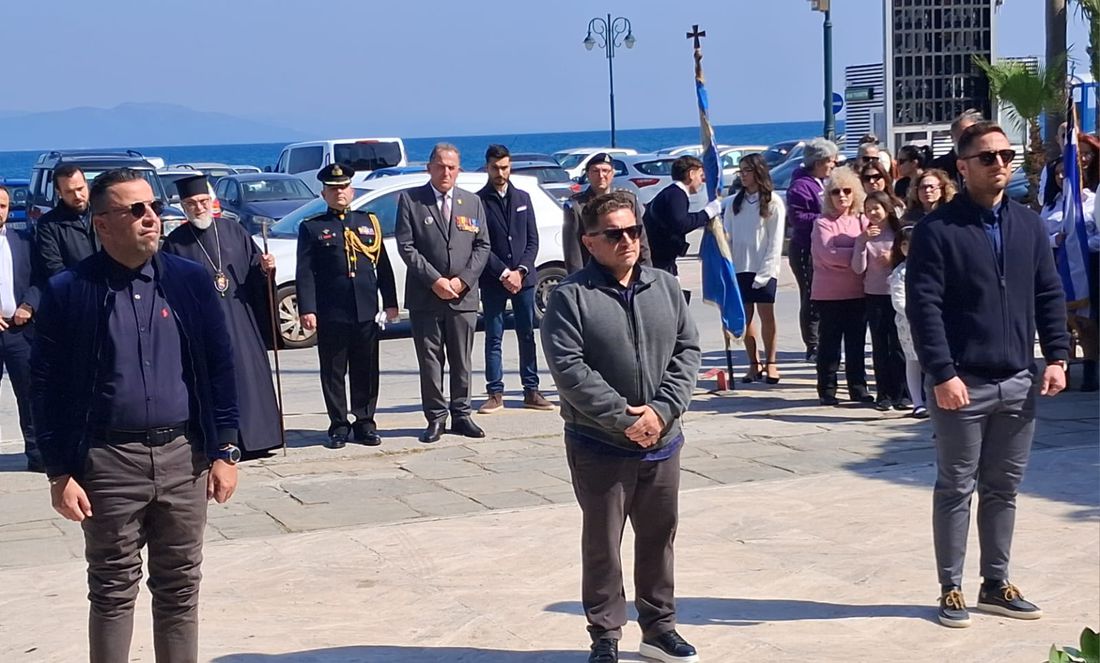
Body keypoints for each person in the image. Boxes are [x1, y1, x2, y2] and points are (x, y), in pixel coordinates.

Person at [31, 168, 241, 662]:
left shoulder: (189, 281)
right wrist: (60, 471)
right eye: (137, 210)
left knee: (180, 587)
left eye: (155, 207)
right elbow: (46, 388)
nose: (152, 218)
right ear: (102, 223)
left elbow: (219, 368)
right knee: (111, 588)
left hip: (184, 458)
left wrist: (225, 450)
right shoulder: (70, 291)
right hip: (107, 462)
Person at [907, 121, 1070, 628]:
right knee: (956, 487)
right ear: (963, 166)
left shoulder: (1029, 224)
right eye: (987, 157)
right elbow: (924, 307)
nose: (1000, 163)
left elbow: (1048, 292)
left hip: (1018, 379)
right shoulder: (937, 230)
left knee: (1003, 488)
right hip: (962, 382)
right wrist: (941, 373)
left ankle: (996, 583)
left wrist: (1058, 356)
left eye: (1006, 155)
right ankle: (951, 587)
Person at [541, 191, 702, 663]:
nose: (628, 240)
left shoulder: (665, 287)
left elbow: (687, 351)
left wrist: (662, 412)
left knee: (658, 538)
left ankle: (659, 629)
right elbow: (570, 370)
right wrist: (624, 419)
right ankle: (605, 634)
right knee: (603, 544)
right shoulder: (570, 297)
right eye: (614, 234)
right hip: (599, 443)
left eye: (633, 230)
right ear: (590, 242)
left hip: (662, 441)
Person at [162, 174, 283, 459]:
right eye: (192, 204)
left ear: (212, 201)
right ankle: (225, 441)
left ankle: (258, 439)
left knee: (249, 378)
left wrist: (265, 268)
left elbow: (254, 271)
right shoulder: (175, 244)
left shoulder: (233, 230)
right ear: (183, 207)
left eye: (203, 201)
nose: (199, 208)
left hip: (240, 321)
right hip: (203, 326)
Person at [296, 164, 399, 448]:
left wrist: (390, 302)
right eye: (333, 189)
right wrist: (307, 309)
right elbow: (304, 272)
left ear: (351, 191)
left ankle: (365, 422)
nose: (339, 192)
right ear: (324, 194)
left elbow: (383, 265)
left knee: (366, 368)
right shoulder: (312, 227)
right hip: (332, 310)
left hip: (366, 308)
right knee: (333, 370)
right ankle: (339, 425)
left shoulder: (369, 222)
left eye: (343, 187)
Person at [395, 143, 490, 443]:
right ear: (429, 168)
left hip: (463, 296)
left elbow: (482, 246)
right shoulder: (411, 200)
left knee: (462, 360)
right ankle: (436, 417)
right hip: (426, 296)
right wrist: (435, 280)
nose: (446, 172)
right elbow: (406, 246)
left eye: (451, 167)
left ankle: (461, 414)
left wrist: (463, 280)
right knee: (430, 361)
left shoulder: (472, 202)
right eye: (440, 166)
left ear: (459, 170)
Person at [475, 145, 554, 414]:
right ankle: (495, 392)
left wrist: (520, 271)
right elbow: (480, 244)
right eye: (495, 168)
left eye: (505, 167)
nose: (500, 173)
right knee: (494, 337)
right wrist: (503, 273)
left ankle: (531, 390)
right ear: (488, 167)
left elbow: (532, 240)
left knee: (526, 335)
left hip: (524, 279)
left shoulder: (523, 198)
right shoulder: (479, 201)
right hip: (494, 280)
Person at [811, 166, 872, 406]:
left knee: (856, 343)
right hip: (828, 295)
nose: (842, 196)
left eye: (847, 190)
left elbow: (871, 252)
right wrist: (858, 249)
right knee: (830, 344)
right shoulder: (822, 223)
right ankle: (827, 389)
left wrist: (852, 251)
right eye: (836, 192)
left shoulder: (862, 220)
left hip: (858, 292)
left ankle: (858, 387)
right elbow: (828, 255)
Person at [722, 153, 786, 384]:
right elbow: (727, 235)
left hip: (763, 266)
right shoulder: (733, 203)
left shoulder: (773, 202)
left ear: (758, 172)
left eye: (747, 170)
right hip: (740, 267)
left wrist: (766, 271)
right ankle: (753, 363)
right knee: (745, 317)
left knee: (766, 314)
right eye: (741, 171)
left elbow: (775, 241)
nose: (743, 175)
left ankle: (771, 362)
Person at [0, 185, 42, 471]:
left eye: (3, 206)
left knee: (29, 395)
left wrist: (29, 304)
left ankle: (37, 455)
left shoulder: (24, 241)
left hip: (19, 331)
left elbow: (40, 279)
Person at [852, 191, 907, 411]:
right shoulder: (866, 235)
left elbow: (911, 258)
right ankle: (883, 393)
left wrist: (893, 258)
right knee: (880, 345)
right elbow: (858, 268)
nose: (872, 213)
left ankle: (902, 393)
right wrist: (861, 242)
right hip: (874, 295)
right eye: (868, 210)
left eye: (876, 208)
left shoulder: (899, 233)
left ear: (887, 208)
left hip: (898, 294)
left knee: (899, 344)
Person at [787, 137, 839, 362]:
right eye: (830, 161)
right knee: (811, 295)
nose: (833, 165)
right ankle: (812, 343)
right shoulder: (801, 186)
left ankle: (824, 338)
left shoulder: (824, 182)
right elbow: (798, 218)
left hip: (824, 246)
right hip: (805, 248)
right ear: (819, 162)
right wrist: (825, 218)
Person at [563, 153, 651, 274]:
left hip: (627, 271)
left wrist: (647, 272)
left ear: (613, 173)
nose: (601, 176)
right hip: (594, 274)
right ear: (587, 174)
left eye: (605, 171)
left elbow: (641, 240)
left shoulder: (628, 200)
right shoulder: (577, 207)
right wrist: (577, 279)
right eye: (595, 171)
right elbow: (573, 251)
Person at [643, 155, 721, 280]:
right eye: (700, 175)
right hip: (660, 261)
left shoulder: (671, 193)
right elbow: (681, 223)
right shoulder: (676, 194)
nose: (702, 181)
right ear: (691, 174)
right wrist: (707, 213)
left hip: (661, 258)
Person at [887, 226, 927, 417]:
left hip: (932, 321)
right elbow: (898, 300)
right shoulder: (900, 272)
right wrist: (915, 314)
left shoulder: (930, 267)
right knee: (913, 361)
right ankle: (917, 402)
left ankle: (931, 399)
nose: (908, 247)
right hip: (909, 323)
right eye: (904, 244)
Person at [36, 164, 97, 277]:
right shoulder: (48, 224)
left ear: (87, 184)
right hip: (75, 285)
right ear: (59, 193)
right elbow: (53, 267)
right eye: (69, 191)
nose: (77, 196)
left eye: (80, 189)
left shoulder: (104, 213)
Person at [930, 108, 983, 188]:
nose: (968, 139)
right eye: (964, 134)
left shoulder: (987, 162)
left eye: (973, 134)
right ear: (952, 137)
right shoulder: (937, 167)